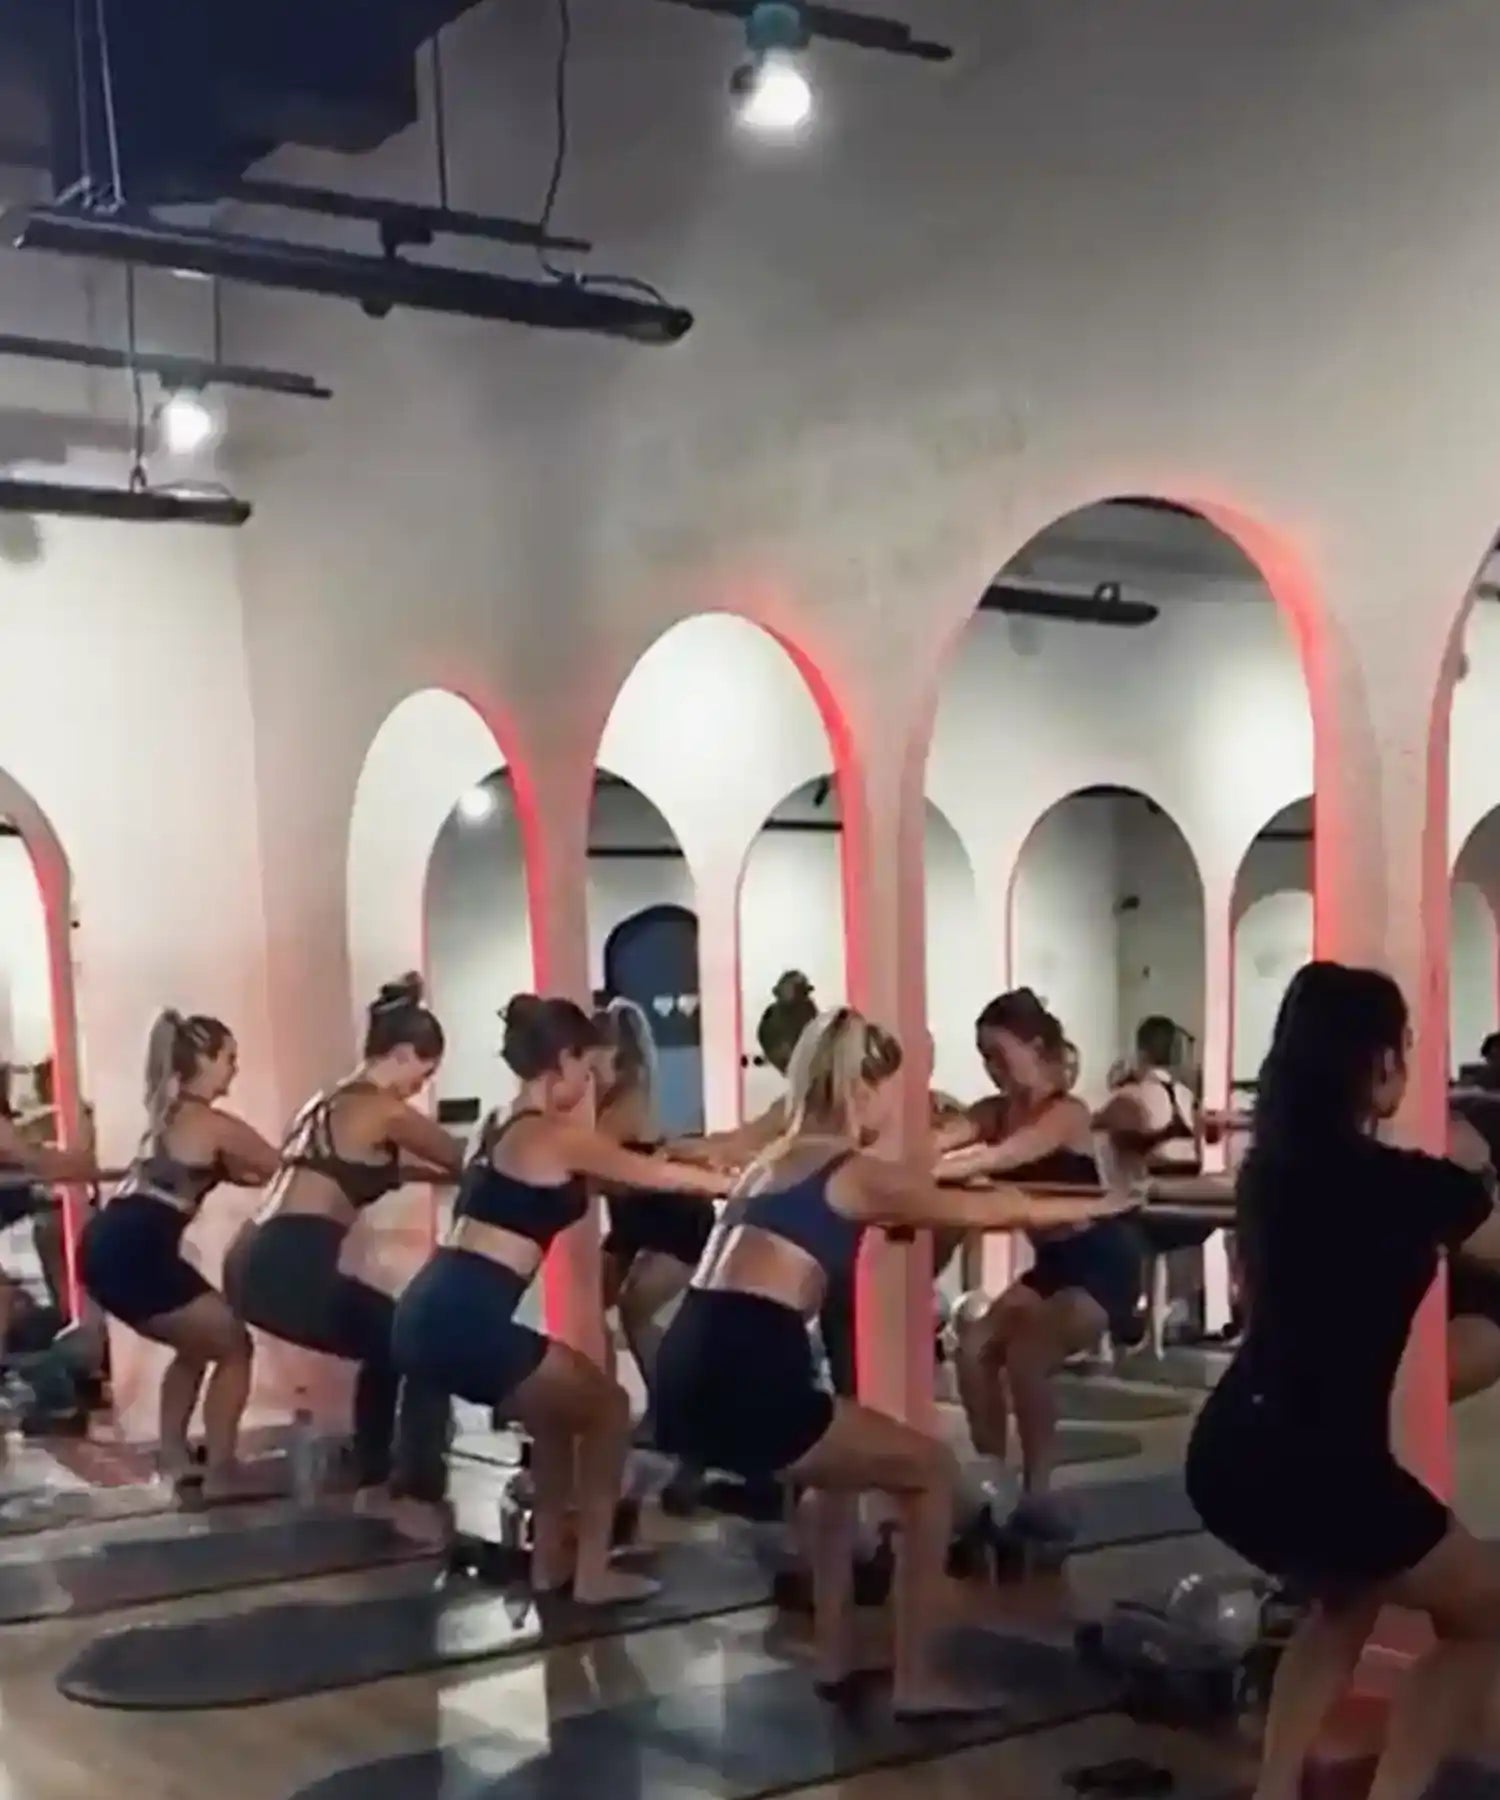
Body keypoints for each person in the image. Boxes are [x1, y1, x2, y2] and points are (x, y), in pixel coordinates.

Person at [653, 1005, 1129, 1714]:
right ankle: (917, 1681)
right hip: (749, 1368)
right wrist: (1109, 1203)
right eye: (887, 1090)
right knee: (930, 1474)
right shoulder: (853, 1171)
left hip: (683, 1363)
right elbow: (986, 1212)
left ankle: (837, 1656)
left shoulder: (771, 1162)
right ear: (861, 1090)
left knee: (834, 1478)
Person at [1186, 962, 1500, 1800]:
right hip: (1322, 1469)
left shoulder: (1269, 1173)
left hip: (1229, 1453)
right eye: (1401, 1045)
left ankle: (1276, 1791)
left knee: (1344, 1599)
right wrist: (1475, 1172)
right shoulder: (1411, 1186)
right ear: (1375, 1064)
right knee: (1487, 1612)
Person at [393, 994, 729, 1603]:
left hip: (431, 1304)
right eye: (588, 1069)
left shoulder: (499, 1125)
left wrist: (702, 1153)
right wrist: (741, 1185)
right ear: (564, 1062)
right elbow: (659, 1178)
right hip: (462, 1314)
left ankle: (552, 1562)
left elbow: (634, 1165)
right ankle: (593, 1574)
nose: (593, 1082)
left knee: (554, 1418)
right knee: (607, 1410)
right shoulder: (552, 1135)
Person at [224, 975, 464, 1543]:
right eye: (422, 1074)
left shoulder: (325, 1102)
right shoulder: (383, 1110)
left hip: (254, 1255)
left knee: (388, 1346)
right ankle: (411, 1493)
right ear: (402, 1054)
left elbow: (353, 1172)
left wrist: (414, 1174)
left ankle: (376, 1483)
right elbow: (462, 1156)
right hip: (289, 1262)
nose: (418, 1088)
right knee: (424, 1344)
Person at [940, 989, 1143, 1533]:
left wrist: (945, 1172)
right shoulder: (992, 1112)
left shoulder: (1066, 1115)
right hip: (1053, 1265)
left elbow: (1004, 1156)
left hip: (1103, 1261)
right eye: (984, 1058)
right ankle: (992, 1481)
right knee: (975, 1347)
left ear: (1037, 1047)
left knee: (1027, 1356)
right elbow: (940, 1140)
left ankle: (1037, 1495)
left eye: (1000, 1056)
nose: (992, 1070)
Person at [79, 1012, 279, 1491]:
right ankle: (223, 1471)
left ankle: (173, 1457)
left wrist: (232, 1172)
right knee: (234, 1344)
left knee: (196, 1342)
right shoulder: (212, 1123)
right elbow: (280, 1167)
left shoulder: (166, 1115)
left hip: (108, 1243)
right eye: (229, 1058)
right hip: (136, 1251)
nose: (235, 1069)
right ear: (205, 1061)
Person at [595, 998, 715, 1405]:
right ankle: (602, 1399)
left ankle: (670, 1405)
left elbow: (602, 1161)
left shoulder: (628, 1091)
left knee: (636, 1311)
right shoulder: (599, 1098)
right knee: (586, 1302)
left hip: (672, 1218)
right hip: (632, 1220)